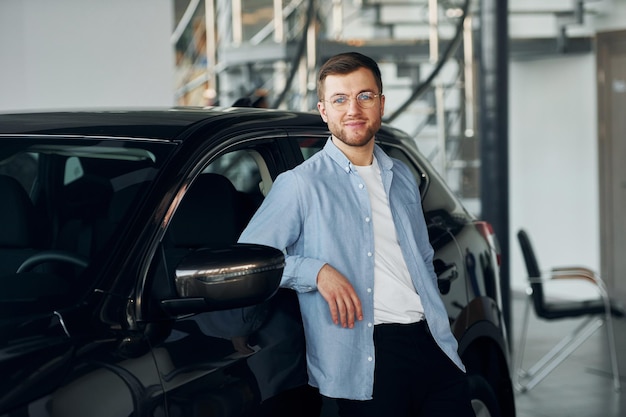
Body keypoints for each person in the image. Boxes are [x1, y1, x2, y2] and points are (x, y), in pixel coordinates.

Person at [238, 52, 474, 417]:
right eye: (340, 99)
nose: (354, 109)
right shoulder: (300, 185)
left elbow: (422, 260)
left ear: (381, 104)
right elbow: (250, 258)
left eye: (364, 96)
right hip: (369, 357)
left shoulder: (402, 178)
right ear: (324, 110)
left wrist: (442, 334)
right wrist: (315, 272)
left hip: (433, 346)